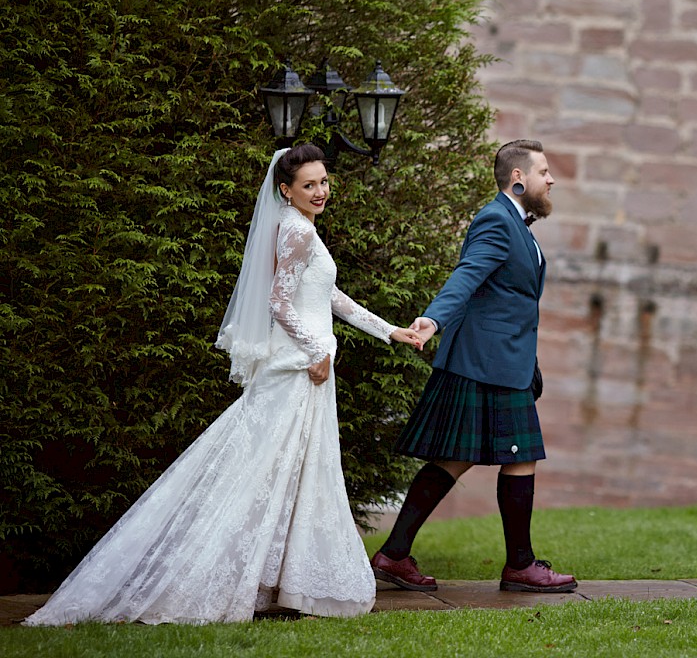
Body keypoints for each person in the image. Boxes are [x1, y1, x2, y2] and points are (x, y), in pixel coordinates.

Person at [25, 144, 423, 625]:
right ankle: (233, 579)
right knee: (264, 472)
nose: (320, 191)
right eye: (309, 185)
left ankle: (275, 582)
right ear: (286, 190)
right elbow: (279, 303)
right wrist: (316, 352)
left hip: (306, 363)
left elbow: (327, 295)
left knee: (288, 473)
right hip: (299, 367)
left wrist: (389, 330)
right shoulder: (297, 231)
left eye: (323, 182)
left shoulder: (301, 227)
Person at [370, 139, 576, 594]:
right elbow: (466, 275)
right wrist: (433, 319)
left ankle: (394, 554)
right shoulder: (496, 220)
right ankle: (520, 565)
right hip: (486, 361)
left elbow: (506, 298)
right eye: (543, 171)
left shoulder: (517, 224)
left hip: (499, 359)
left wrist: (529, 360)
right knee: (519, 458)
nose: (551, 180)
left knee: (455, 458)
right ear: (518, 178)